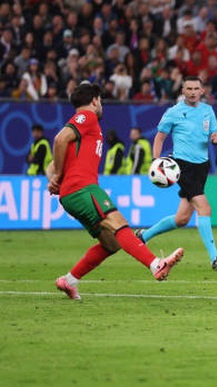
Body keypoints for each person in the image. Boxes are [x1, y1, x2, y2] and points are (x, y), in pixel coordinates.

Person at [48, 81, 184, 300]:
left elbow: (51, 165)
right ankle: (156, 265)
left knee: (111, 243)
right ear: (94, 100)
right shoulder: (87, 117)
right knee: (119, 225)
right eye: (100, 100)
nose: (101, 105)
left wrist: (55, 179)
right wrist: (58, 178)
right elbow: (59, 138)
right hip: (84, 189)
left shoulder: (82, 132)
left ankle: (69, 280)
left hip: (72, 194)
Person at [135, 76, 217, 271]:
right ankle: (215, 257)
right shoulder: (174, 112)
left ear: (202, 91)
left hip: (202, 166)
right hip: (182, 166)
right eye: (189, 88)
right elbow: (160, 137)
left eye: (196, 88)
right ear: (183, 91)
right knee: (204, 208)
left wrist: (215, 137)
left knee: (182, 219)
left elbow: (215, 134)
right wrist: (157, 161)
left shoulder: (208, 111)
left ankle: (143, 236)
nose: (193, 92)